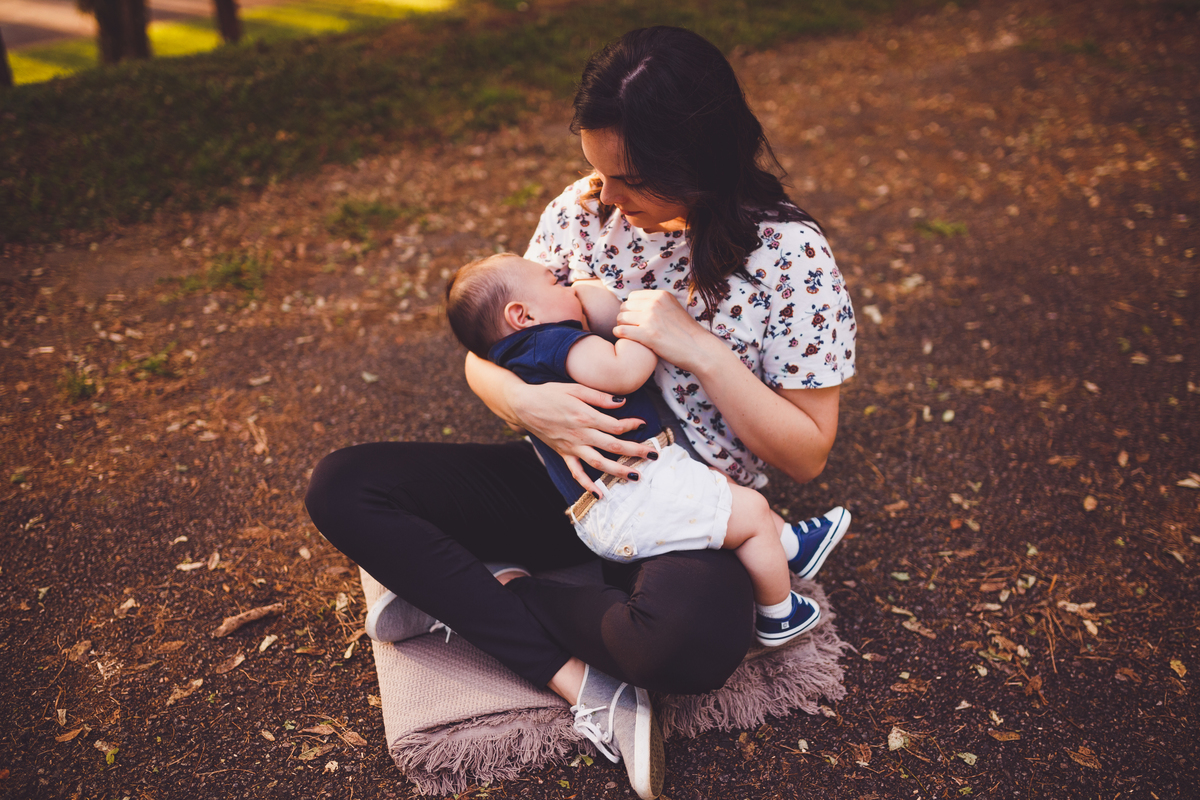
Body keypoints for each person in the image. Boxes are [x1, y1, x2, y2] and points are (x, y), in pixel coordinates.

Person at [305, 25, 855, 800]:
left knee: (684, 651)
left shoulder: (790, 257)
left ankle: (495, 595)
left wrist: (700, 349)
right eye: (595, 170)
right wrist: (535, 406)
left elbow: (807, 453)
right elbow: (488, 351)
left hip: (685, 507)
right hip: (566, 481)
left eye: (626, 178)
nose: (603, 197)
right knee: (344, 485)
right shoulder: (583, 211)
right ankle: (572, 679)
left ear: (697, 163)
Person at [444, 251, 852, 647]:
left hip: (626, 490)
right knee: (753, 514)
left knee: (718, 487)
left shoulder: (518, 356)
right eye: (557, 282)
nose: (570, 286)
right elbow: (623, 371)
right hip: (631, 496)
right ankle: (780, 614)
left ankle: (795, 547)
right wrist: (641, 325)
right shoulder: (552, 341)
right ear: (523, 315)